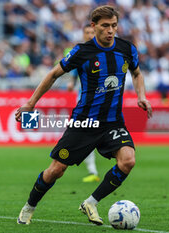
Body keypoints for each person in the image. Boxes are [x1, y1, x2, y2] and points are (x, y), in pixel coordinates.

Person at [15, 5, 152, 226]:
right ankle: (29, 206)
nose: (110, 30)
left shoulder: (127, 49)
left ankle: (91, 202)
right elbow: (53, 74)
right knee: (56, 170)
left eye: (114, 26)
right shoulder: (81, 52)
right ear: (94, 26)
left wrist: (141, 95)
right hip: (85, 123)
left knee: (128, 161)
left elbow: (136, 73)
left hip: (113, 122)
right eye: (105, 26)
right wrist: (31, 103)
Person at [67, 24, 100, 183]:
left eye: (92, 32)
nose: (89, 35)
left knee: (89, 134)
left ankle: (93, 169)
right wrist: (71, 83)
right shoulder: (81, 52)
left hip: (101, 101)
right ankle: (93, 170)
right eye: (86, 32)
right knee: (87, 134)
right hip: (83, 100)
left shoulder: (103, 52)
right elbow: (73, 71)